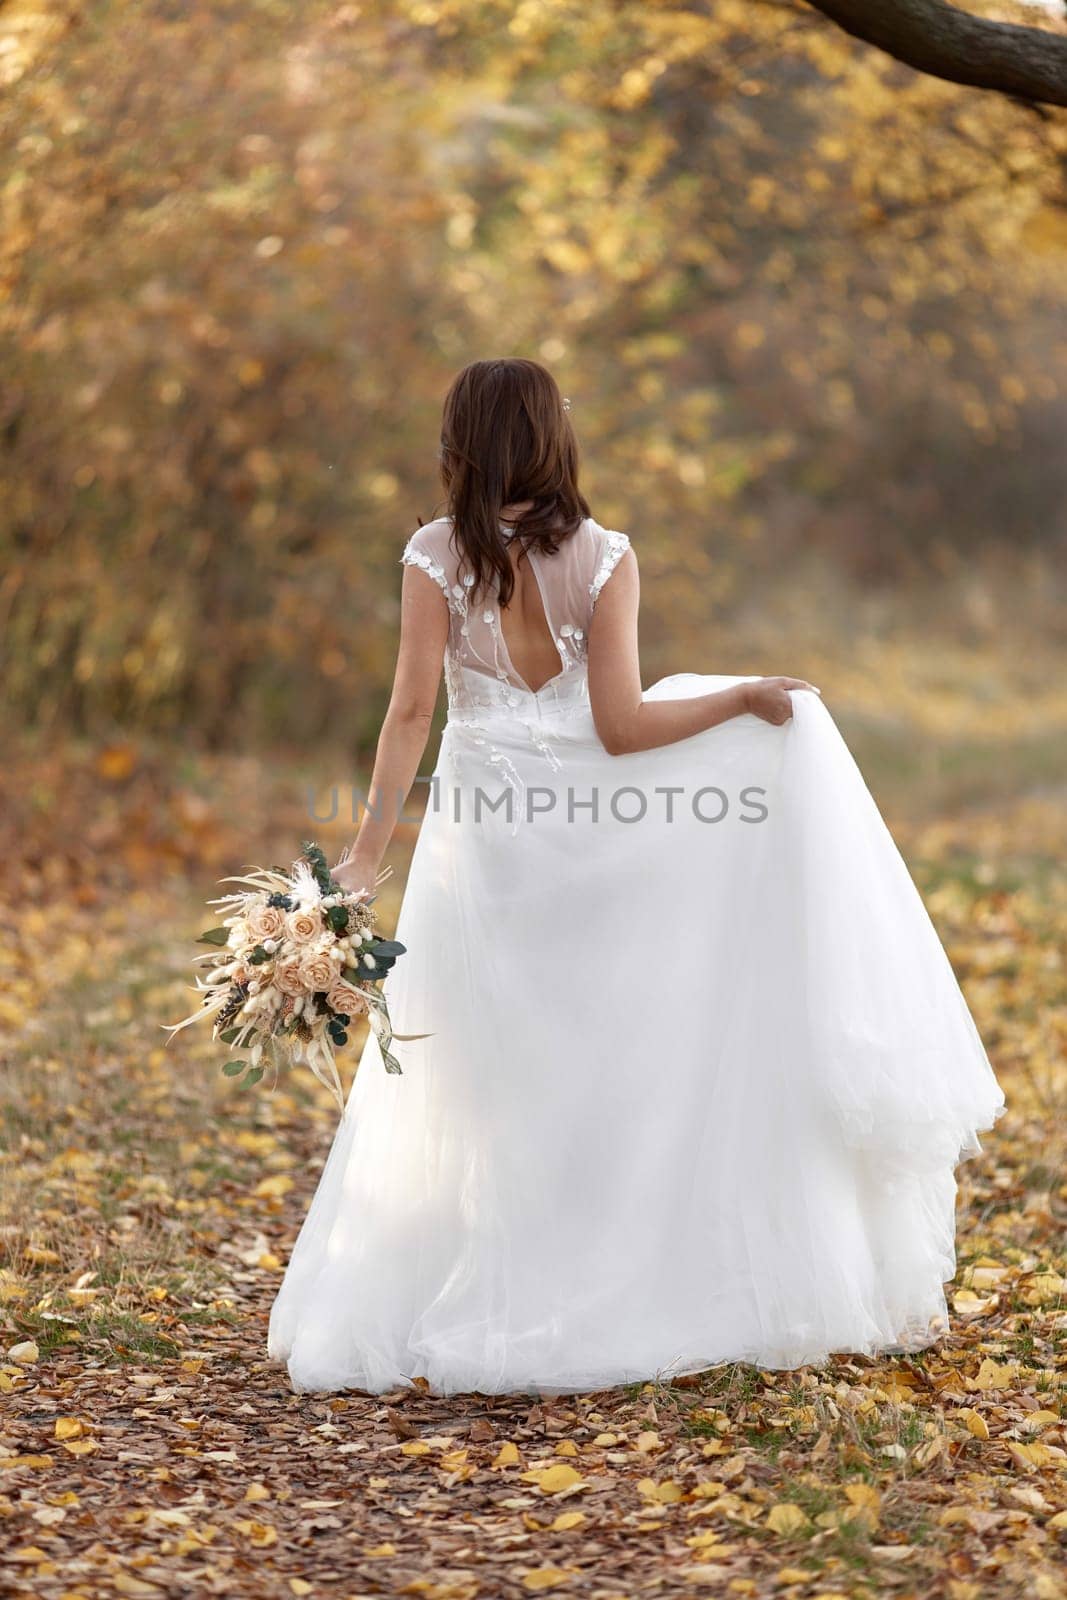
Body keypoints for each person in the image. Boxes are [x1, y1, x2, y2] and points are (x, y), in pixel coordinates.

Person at [267, 357, 1006, 1397]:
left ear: (462, 443)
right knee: (603, 1059)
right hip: (597, 838)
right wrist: (740, 700)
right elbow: (622, 729)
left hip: (482, 842)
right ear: (553, 437)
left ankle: (475, 1285)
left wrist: (364, 857)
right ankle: (607, 1278)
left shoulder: (433, 555)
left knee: (479, 1072)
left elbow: (406, 714)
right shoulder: (606, 558)